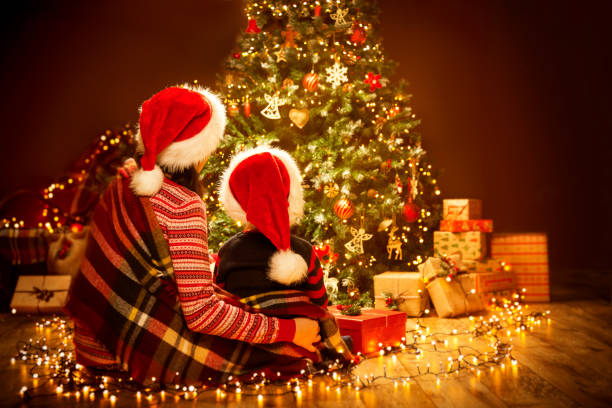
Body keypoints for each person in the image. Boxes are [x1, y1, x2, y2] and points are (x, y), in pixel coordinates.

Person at [64, 85, 323, 385]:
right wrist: (290, 331)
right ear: (195, 149)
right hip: (128, 356)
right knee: (292, 354)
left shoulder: (125, 178)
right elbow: (202, 313)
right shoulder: (183, 205)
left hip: (92, 345)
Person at [214, 146, 354, 355]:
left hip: (246, 347)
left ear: (238, 201)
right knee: (345, 342)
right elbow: (320, 303)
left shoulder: (227, 251)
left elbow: (221, 294)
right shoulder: (304, 251)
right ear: (289, 197)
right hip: (299, 346)